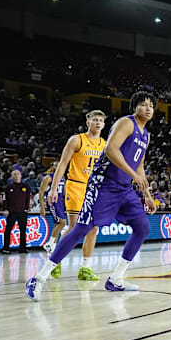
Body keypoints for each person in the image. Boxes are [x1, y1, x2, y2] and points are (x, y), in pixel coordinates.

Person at [26, 92, 158, 301]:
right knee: (82, 228)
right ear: (135, 108)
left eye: (151, 105)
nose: (148, 108)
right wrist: (133, 175)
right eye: (143, 105)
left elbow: (139, 165)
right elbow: (111, 150)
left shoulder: (146, 135)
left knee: (143, 228)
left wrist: (147, 194)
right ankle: (39, 278)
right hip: (103, 184)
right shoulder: (126, 123)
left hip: (125, 189)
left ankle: (116, 279)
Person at [46, 110, 107, 280]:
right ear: (88, 122)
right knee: (75, 227)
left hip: (95, 190)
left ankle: (85, 268)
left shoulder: (105, 144)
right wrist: (53, 188)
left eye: (101, 120)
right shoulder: (76, 140)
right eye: (95, 120)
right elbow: (63, 164)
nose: (98, 123)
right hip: (75, 186)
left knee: (94, 229)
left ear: (104, 124)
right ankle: (55, 260)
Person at [38, 164, 67, 278]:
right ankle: (50, 244)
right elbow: (41, 192)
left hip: (60, 203)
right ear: (53, 167)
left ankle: (52, 248)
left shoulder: (63, 178)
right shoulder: (49, 177)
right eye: (56, 165)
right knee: (62, 223)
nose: (59, 166)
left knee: (57, 225)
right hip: (52, 201)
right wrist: (42, 207)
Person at [2, 170, 31, 254]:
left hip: (22, 212)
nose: (16, 176)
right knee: (8, 230)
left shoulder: (26, 186)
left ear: (20, 176)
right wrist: (5, 209)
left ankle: (22, 248)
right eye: (14, 174)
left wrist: (27, 207)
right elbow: (5, 200)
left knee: (23, 230)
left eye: (17, 174)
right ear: (12, 176)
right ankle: (6, 248)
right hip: (11, 212)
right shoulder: (8, 187)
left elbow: (28, 198)